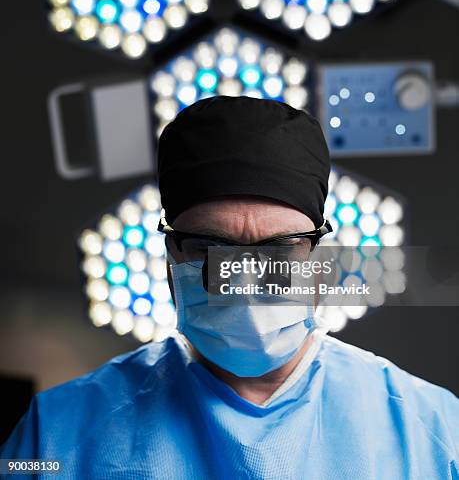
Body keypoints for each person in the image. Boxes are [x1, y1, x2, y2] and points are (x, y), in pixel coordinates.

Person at [1, 96, 458, 479]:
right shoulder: (55, 437)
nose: (244, 276)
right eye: (208, 247)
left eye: (280, 249)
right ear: (170, 263)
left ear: (319, 265)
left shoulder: (433, 431)